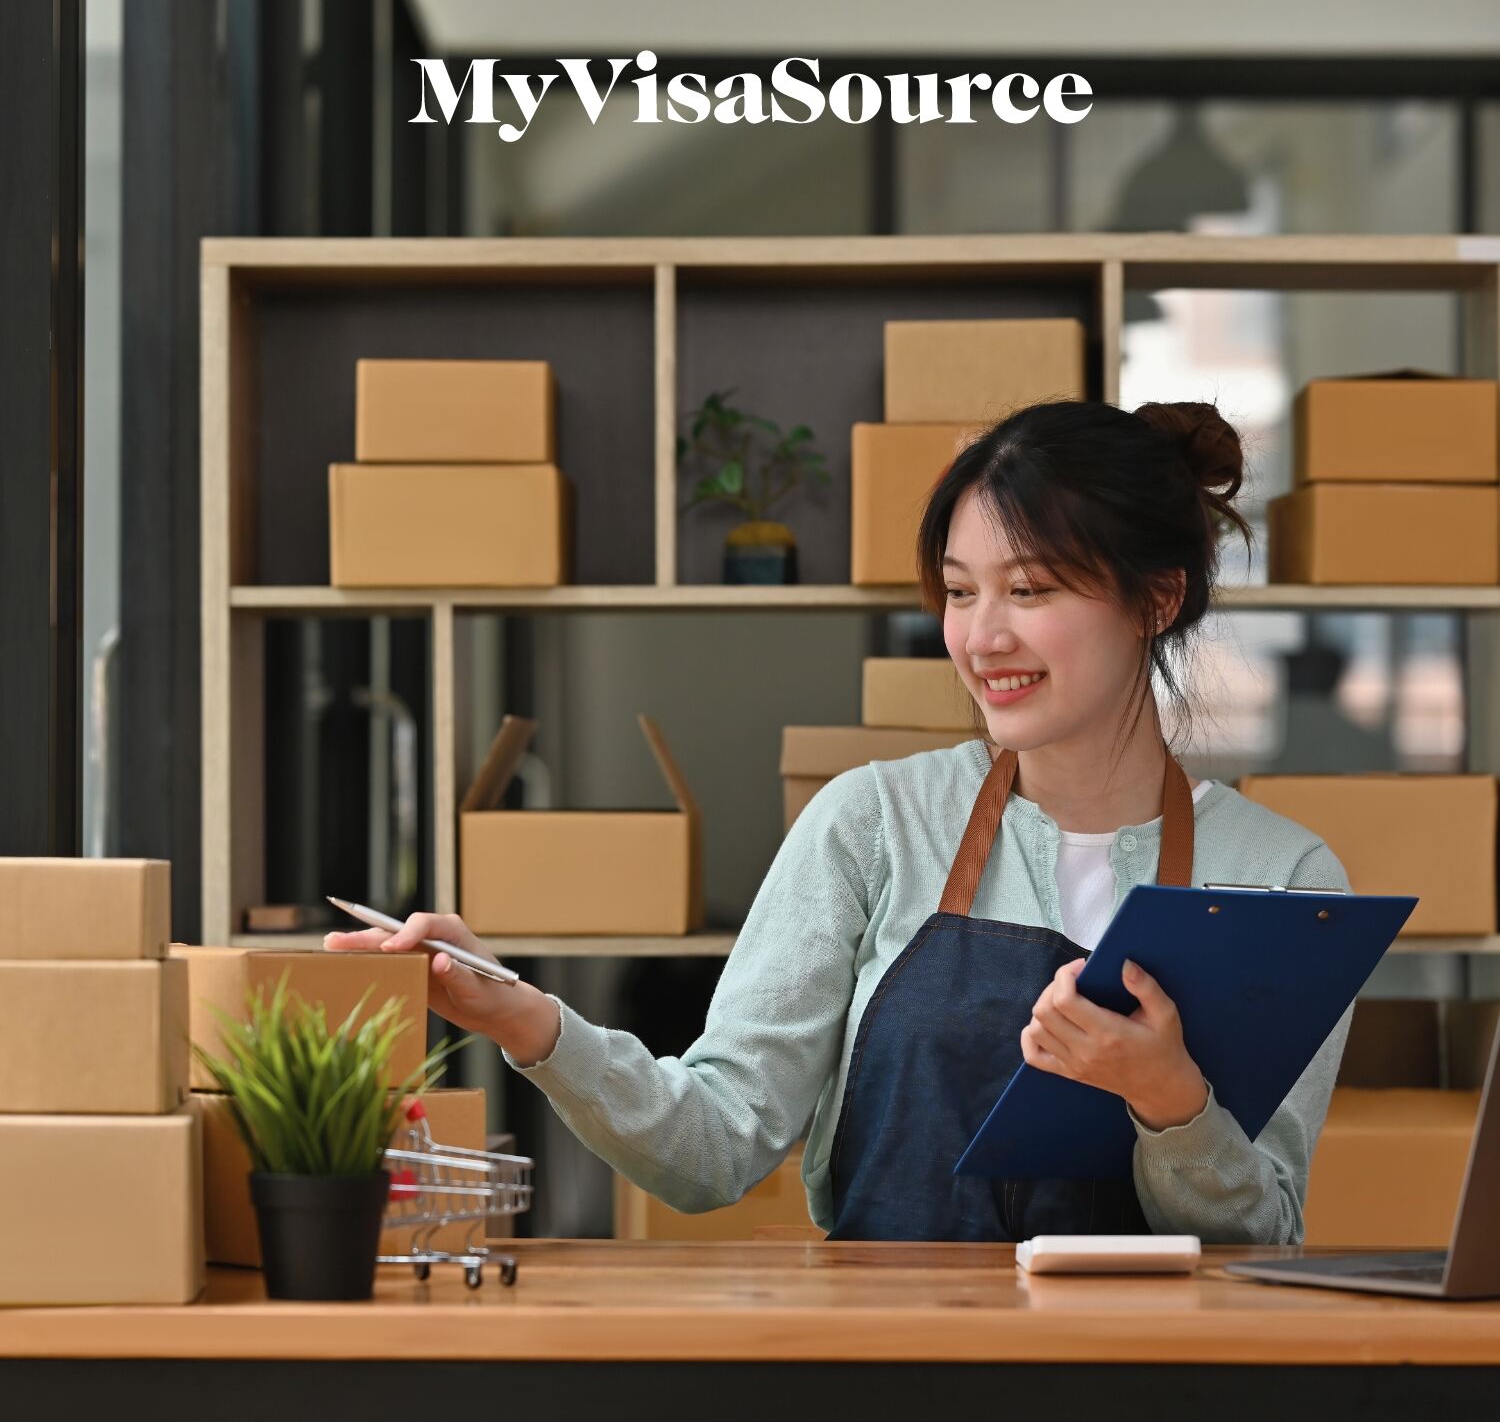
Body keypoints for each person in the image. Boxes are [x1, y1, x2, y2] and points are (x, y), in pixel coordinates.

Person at [327, 397, 1352, 1243]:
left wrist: (1170, 1098)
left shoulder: (1284, 882)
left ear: (1156, 599)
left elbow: (1264, 1231)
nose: (982, 635)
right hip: (888, 1368)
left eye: (1030, 589)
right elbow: (714, 1147)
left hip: (1159, 1387)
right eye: (959, 591)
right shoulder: (875, 823)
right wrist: (523, 1018)